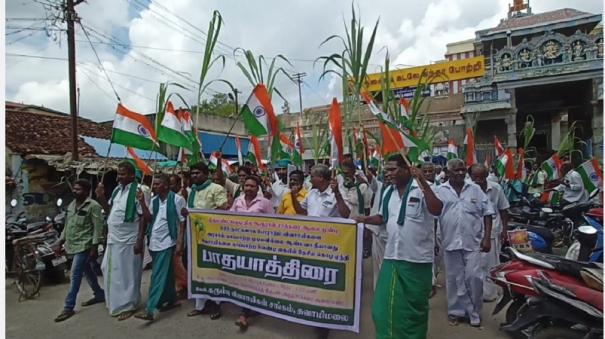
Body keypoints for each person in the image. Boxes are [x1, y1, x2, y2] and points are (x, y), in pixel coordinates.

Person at [355, 154, 443, 339]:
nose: (387, 173)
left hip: (417, 261)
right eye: (386, 170)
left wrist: (422, 181)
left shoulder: (424, 189)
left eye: (392, 169)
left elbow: (436, 209)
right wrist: (364, 219)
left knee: (414, 312)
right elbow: (382, 218)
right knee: (381, 309)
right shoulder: (388, 192)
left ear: (406, 169)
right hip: (392, 257)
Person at [290, 164, 349, 339]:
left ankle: (326, 322)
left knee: (328, 283)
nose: (309, 179)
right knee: (313, 280)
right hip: (311, 244)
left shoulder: (335, 192)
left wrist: (337, 193)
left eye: (312, 176)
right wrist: (293, 197)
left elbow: (346, 214)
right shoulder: (311, 193)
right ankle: (316, 315)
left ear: (321, 178)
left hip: (331, 246)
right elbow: (301, 211)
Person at [435, 159, 494, 327]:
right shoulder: (440, 190)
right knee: (454, 279)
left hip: (473, 243)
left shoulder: (475, 189)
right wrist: (433, 240)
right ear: (448, 172)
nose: (460, 173)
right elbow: (434, 217)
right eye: (456, 170)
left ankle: (474, 312)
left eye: (462, 170)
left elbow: (488, 212)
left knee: (475, 277)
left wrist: (487, 237)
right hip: (450, 241)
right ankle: (455, 311)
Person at [95, 161, 148, 321]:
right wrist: (101, 197)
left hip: (130, 239)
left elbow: (143, 218)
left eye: (123, 174)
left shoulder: (141, 190)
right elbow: (109, 211)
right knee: (109, 269)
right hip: (114, 239)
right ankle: (116, 302)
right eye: (118, 174)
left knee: (128, 274)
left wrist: (139, 240)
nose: (119, 177)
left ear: (132, 175)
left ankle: (129, 305)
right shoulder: (118, 190)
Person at [135, 174, 186, 321]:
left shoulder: (177, 199)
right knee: (168, 273)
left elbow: (182, 222)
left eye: (157, 184)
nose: (155, 187)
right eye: (154, 184)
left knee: (157, 275)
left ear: (166, 185)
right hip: (154, 242)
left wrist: (180, 243)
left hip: (168, 242)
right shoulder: (155, 200)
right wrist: (143, 203)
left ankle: (150, 309)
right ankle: (172, 299)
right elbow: (149, 218)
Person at [54, 179, 105, 322]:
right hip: (73, 245)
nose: (74, 191)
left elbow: (98, 228)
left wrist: (94, 247)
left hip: (85, 246)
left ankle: (68, 307)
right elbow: (67, 225)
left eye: (78, 189)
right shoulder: (71, 205)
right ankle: (99, 294)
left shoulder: (93, 206)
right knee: (87, 270)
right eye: (74, 188)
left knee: (75, 274)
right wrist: (60, 241)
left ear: (86, 191)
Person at [229, 176, 274, 331]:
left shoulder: (265, 203)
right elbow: (227, 219)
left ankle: (244, 314)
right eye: (246, 185)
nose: (248, 188)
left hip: (258, 246)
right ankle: (248, 307)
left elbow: (272, 224)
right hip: (240, 245)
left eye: (252, 186)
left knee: (254, 278)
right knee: (243, 277)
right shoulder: (238, 201)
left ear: (257, 188)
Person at [186, 161, 228, 320]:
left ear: (205, 174)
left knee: (213, 271)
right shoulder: (192, 191)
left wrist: (202, 216)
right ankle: (200, 305)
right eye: (193, 173)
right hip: (195, 237)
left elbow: (223, 210)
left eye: (197, 173)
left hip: (213, 237)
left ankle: (217, 305)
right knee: (198, 271)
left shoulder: (216, 189)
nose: (194, 176)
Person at [470, 164, 509, 302]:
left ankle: (489, 293)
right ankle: (474, 292)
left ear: (487, 175)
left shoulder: (496, 188)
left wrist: (505, 230)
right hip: (472, 232)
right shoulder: (467, 188)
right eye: (476, 177)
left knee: (490, 264)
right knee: (474, 264)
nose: (479, 180)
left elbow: (503, 209)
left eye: (482, 177)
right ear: (471, 176)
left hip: (492, 232)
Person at [340, 162, 372, 258]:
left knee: (357, 254)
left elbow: (367, 208)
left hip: (358, 223)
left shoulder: (362, 186)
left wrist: (366, 227)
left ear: (353, 172)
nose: (345, 175)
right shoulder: (341, 186)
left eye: (347, 173)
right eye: (343, 173)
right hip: (344, 224)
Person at [365, 167, 387, 289]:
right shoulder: (379, 186)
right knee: (377, 265)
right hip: (377, 232)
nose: (388, 175)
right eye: (385, 173)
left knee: (387, 265)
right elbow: (370, 179)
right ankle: (378, 292)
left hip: (391, 233)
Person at [422, 162, 441, 299]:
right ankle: (430, 283)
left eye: (430, 171)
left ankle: (433, 280)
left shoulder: (439, 188)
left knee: (436, 258)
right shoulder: (416, 188)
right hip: (423, 230)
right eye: (425, 171)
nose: (428, 174)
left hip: (437, 228)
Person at [168, 174, 189, 299]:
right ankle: (178, 287)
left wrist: (181, 240)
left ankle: (186, 286)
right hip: (168, 237)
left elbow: (183, 221)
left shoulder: (180, 198)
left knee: (179, 264)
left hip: (179, 236)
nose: (170, 186)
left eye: (172, 184)